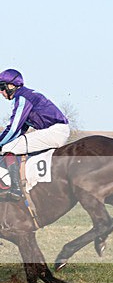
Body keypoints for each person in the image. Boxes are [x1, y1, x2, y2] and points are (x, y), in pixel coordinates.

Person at [0, 69, 70, 199]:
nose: (1, 92)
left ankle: (16, 189)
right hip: (56, 131)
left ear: (11, 86)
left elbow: (13, 128)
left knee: (7, 148)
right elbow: (21, 129)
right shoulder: (26, 94)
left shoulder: (21, 97)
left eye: (1, 87)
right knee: (12, 144)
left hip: (54, 131)